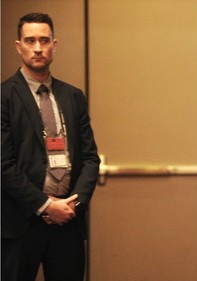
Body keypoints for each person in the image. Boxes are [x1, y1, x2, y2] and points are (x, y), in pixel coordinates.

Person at [1, 12, 100, 281]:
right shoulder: (4, 97)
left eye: (44, 41)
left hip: (68, 220)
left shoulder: (73, 96)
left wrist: (72, 206)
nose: (37, 48)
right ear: (18, 46)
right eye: (30, 40)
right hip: (21, 222)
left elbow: (91, 159)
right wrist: (45, 206)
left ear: (54, 45)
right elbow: (3, 165)